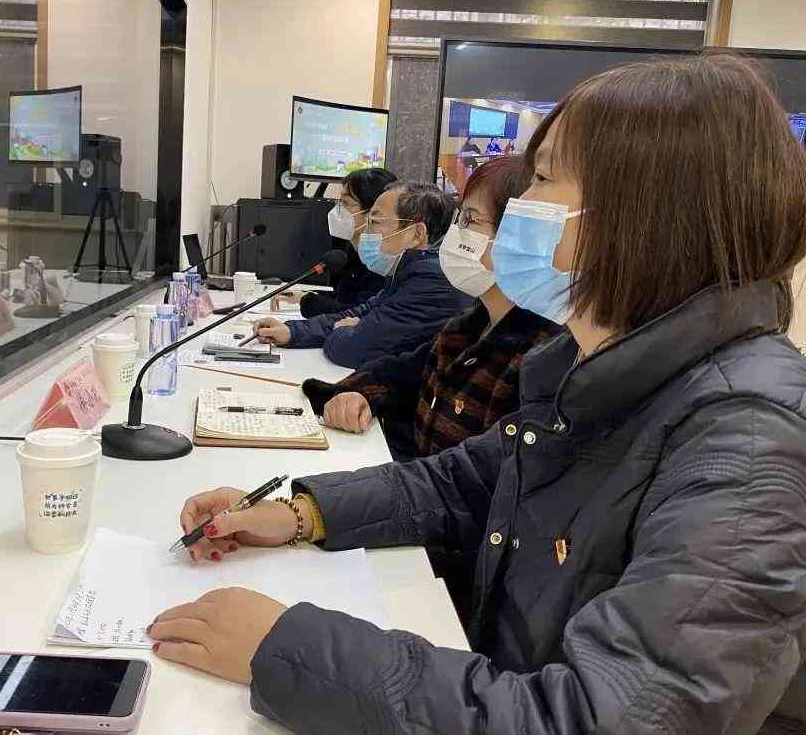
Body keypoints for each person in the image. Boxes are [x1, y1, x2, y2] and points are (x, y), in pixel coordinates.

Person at [149, 53, 806, 734]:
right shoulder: (599, 367)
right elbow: (460, 483)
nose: (520, 208)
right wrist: (298, 514)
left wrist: (288, 648)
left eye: (543, 179)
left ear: (642, 213)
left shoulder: (748, 440)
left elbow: (605, 721)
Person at [302, 155, 560, 463]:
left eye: (471, 220)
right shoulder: (468, 325)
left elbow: (467, 475)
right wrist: (359, 394)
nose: (456, 233)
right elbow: (401, 371)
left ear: (520, 237)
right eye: (458, 219)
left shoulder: (538, 356)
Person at [252, 181, 473, 368]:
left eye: (375, 222)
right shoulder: (409, 269)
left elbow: (352, 349)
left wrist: (353, 329)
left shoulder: (432, 282)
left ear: (416, 234)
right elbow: (360, 312)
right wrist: (292, 331)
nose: (366, 231)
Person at [272, 167, 397, 318]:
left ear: (374, 212)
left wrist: (307, 300)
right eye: (339, 202)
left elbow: (358, 314)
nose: (338, 210)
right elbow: (344, 298)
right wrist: (305, 295)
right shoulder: (352, 250)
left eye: (346, 203)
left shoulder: (381, 260)